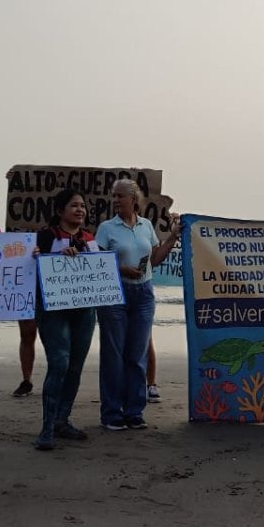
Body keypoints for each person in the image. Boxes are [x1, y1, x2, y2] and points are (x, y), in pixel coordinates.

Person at [94, 179, 180, 431]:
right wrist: (121, 269)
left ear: (134, 200)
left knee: (137, 354)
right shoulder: (107, 228)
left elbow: (155, 258)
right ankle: (111, 412)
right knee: (114, 354)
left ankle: (134, 410)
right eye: (113, 196)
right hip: (115, 294)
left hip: (143, 292)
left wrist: (172, 237)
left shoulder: (146, 226)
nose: (116, 200)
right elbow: (97, 263)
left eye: (120, 196)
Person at [32, 188, 99, 450]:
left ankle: (62, 419)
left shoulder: (89, 239)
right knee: (59, 363)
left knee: (75, 366)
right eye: (74, 205)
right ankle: (47, 427)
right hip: (53, 311)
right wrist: (48, 259)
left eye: (83, 206)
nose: (80, 210)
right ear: (60, 211)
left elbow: (100, 271)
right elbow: (30, 266)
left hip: (84, 311)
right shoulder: (44, 237)